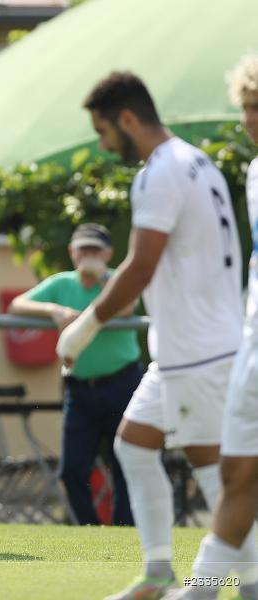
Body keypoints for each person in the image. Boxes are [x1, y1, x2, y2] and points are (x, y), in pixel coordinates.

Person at [57, 71, 256, 600]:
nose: (103, 145)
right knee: (133, 445)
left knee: (218, 474)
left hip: (198, 351)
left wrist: (84, 328)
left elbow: (140, 266)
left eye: (103, 132)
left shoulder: (159, 172)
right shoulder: (198, 160)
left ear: (127, 119)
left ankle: (240, 583)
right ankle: (159, 571)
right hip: (187, 349)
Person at [164, 53, 258, 600]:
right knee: (237, 477)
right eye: (248, 107)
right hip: (250, 348)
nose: (251, 119)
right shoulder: (253, 172)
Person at [9, 222, 139, 526]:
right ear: (72, 252)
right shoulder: (62, 284)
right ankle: (89, 530)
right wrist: (53, 310)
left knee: (125, 464)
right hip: (80, 388)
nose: (89, 256)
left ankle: (124, 530)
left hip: (123, 383)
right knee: (71, 470)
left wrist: (102, 278)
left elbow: (127, 307)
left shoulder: (116, 280)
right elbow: (17, 305)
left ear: (108, 254)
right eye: (84, 250)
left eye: (95, 250)